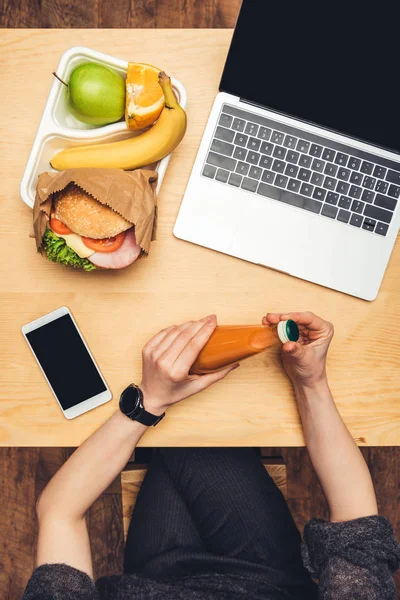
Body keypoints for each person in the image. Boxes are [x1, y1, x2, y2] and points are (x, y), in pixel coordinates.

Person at [22, 311, 400, 600]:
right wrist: (310, 379)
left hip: (157, 580)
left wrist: (149, 402)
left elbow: (59, 514)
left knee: (183, 432)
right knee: (192, 435)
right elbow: (357, 527)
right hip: (268, 578)